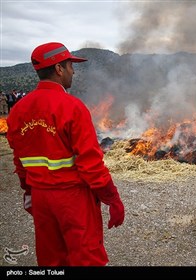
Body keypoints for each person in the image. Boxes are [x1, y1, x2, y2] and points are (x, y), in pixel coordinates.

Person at [6, 42, 125, 266]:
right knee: (86, 258)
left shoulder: (18, 111)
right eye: (70, 65)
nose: (73, 70)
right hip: (73, 199)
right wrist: (113, 200)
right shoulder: (73, 107)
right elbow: (91, 165)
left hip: (41, 198)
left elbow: (20, 161)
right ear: (59, 69)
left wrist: (29, 192)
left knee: (51, 259)